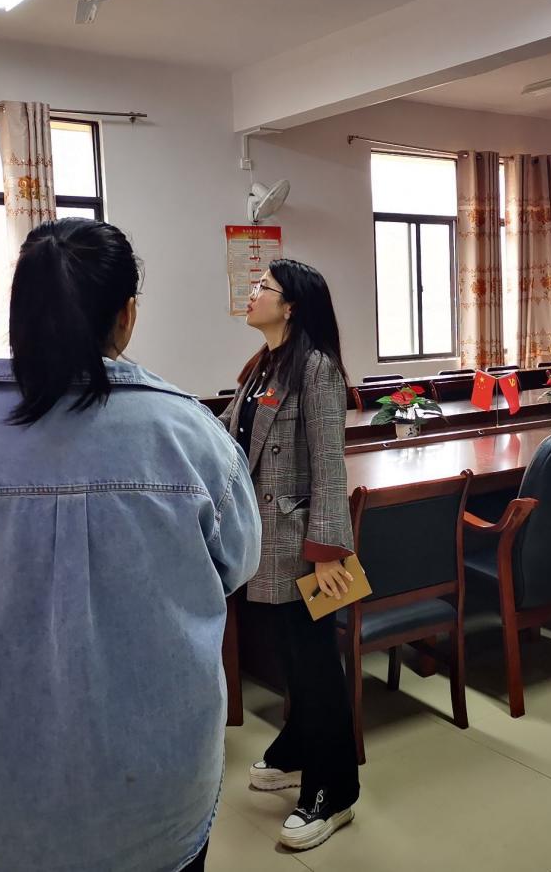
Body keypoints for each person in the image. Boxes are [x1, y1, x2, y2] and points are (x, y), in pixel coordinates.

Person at [0, 218, 260, 872]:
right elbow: (236, 565)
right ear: (126, 315)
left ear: (18, 314)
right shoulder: (189, 434)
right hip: (156, 787)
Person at [220, 259, 359, 851]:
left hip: (304, 547)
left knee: (316, 665)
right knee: (291, 658)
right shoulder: (263, 365)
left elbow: (329, 465)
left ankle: (334, 791)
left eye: (264, 288)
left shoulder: (317, 368)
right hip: (267, 539)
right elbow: (231, 434)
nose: (253, 294)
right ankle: (298, 748)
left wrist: (327, 553)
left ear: (291, 305)